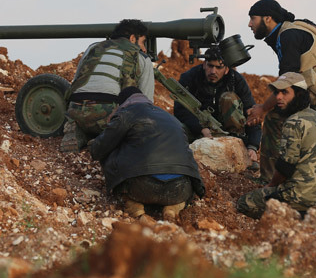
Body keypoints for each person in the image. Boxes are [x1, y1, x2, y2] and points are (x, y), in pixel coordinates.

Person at [246, 0, 316, 191]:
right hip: (314, 94)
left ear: (268, 18)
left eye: (253, 19)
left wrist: (262, 108)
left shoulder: (289, 36)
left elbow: (287, 82)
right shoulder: (288, 32)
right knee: (275, 119)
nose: (249, 24)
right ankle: (269, 180)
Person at [89, 86, 204, 221]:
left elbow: (98, 150)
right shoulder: (172, 119)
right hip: (180, 189)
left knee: (111, 150)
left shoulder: (126, 114)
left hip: (141, 187)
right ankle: (173, 208)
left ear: (122, 103)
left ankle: (134, 206)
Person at [237, 72, 316, 219]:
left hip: (297, 196)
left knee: (244, 203)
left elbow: (286, 166)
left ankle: (295, 216)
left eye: (285, 92)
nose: (278, 97)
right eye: (277, 92)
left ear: (299, 94)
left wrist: (271, 186)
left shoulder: (293, 122)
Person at [62, 19, 155, 151]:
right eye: (143, 42)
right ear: (133, 38)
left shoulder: (93, 48)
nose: (144, 48)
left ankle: (78, 129)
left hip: (75, 109)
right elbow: (146, 103)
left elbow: (77, 80)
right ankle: (104, 139)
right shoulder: (141, 57)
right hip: (108, 116)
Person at [173, 47, 262, 167]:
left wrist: (252, 146)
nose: (213, 71)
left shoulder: (236, 80)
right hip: (198, 130)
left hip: (229, 134)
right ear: (204, 64)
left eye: (218, 67)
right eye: (210, 66)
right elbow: (180, 110)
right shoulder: (190, 77)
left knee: (229, 98)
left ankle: (238, 150)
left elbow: (252, 114)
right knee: (175, 127)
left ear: (226, 69)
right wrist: (201, 128)